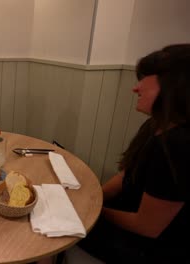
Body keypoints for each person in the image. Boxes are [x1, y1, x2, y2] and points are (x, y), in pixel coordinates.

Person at [76, 44, 190, 263]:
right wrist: (94, 198)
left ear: (173, 85)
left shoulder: (179, 146)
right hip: (123, 215)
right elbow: (127, 174)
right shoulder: (155, 124)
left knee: (57, 229)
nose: (136, 88)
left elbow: (147, 227)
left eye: (145, 78)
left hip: (150, 247)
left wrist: (92, 211)